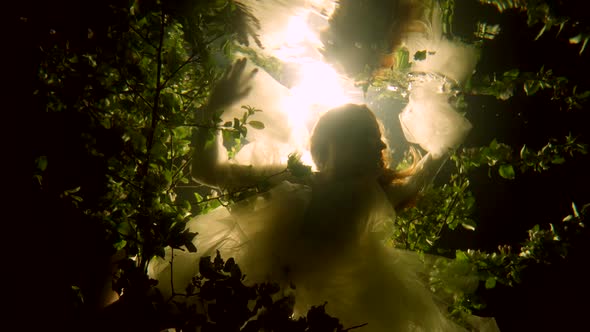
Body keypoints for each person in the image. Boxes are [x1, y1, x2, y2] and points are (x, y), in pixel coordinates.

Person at [148, 58, 499, 331]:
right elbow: (208, 172)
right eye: (368, 136)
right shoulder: (288, 177)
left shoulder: (369, 195)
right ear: (336, 140)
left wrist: (447, 128)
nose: (379, 145)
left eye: (378, 140)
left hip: (309, 317)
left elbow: (422, 173)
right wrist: (212, 111)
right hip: (228, 292)